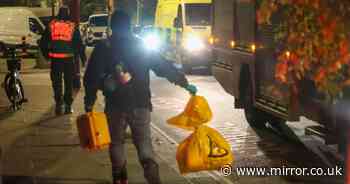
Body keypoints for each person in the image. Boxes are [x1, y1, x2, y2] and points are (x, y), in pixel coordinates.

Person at [83, 11, 197, 184]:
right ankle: (153, 178)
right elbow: (163, 66)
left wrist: (89, 103)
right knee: (144, 143)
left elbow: (90, 78)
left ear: (112, 26)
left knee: (116, 143)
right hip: (141, 102)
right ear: (130, 26)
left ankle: (120, 178)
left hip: (115, 104)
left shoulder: (103, 47)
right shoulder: (141, 45)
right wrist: (184, 83)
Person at [40, 6, 86, 115]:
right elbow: (79, 44)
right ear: (68, 14)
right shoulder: (72, 26)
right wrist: (83, 57)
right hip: (69, 59)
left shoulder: (51, 25)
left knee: (57, 82)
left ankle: (58, 104)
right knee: (68, 82)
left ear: (58, 13)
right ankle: (68, 106)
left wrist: (47, 55)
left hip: (55, 59)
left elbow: (42, 43)